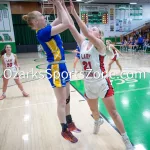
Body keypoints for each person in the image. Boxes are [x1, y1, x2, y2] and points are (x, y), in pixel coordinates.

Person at [62, 0, 134, 149]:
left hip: (102, 82)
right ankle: (97, 120)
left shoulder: (100, 45)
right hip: (88, 83)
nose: (91, 29)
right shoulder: (82, 43)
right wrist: (62, 7)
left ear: (99, 36)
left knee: (113, 112)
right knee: (94, 111)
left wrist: (74, 12)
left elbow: (86, 32)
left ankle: (126, 139)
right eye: (91, 28)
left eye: (95, 29)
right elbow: (70, 26)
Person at [22, 0, 80, 144]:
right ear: (35, 22)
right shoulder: (42, 33)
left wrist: (60, 5)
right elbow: (67, 24)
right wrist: (59, 6)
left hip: (62, 66)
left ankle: (70, 122)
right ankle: (64, 130)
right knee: (61, 101)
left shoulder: (46, 28)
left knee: (67, 99)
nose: (44, 17)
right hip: (55, 68)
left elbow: (61, 19)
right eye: (41, 16)